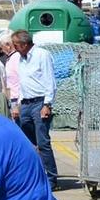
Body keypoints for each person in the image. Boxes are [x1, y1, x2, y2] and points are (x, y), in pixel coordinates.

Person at [15, 32, 58, 178]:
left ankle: (51, 177)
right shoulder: (21, 58)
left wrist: (47, 104)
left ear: (24, 44)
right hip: (26, 102)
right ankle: (37, 172)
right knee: (29, 142)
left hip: (39, 102)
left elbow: (50, 80)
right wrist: (19, 103)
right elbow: (23, 82)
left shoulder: (42, 55)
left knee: (42, 141)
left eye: (16, 45)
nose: (14, 48)